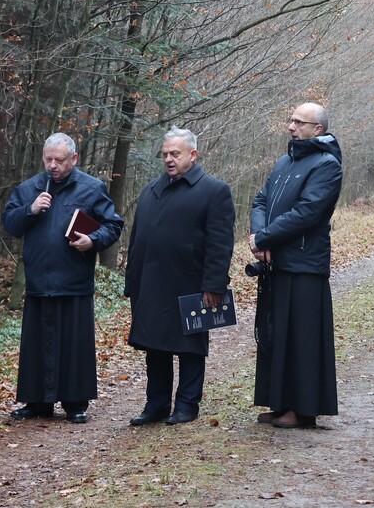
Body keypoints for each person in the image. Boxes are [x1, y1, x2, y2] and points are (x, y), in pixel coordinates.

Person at [1, 132, 124, 424]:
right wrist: (30, 210)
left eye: (59, 160)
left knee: (73, 346)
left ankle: (75, 404)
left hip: (74, 282)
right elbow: (10, 223)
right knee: (36, 345)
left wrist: (92, 240)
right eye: (48, 159)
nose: (53, 166)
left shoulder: (92, 188)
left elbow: (114, 225)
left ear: (74, 159)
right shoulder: (29, 188)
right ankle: (37, 402)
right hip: (39, 282)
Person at [124, 126, 235, 426]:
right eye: (165, 155)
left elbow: (220, 243)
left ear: (193, 154)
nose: (169, 160)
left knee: (190, 347)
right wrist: (131, 281)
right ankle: (156, 404)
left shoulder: (214, 191)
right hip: (150, 284)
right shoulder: (151, 190)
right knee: (154, 346)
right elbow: (137, 239)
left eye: (175, 154)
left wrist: (214, 284)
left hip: (191, 283)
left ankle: (187, 405)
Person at [248, 103, 343, 428]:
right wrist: (260, 234)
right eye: (290, 120)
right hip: (279, 263)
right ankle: (279, 402)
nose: (291, 126)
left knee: (301, 337)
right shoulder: (284, 161)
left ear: (317, 129)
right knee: (276, 333)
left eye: (299, 122)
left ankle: (302, 409)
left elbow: (308, 212)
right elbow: (261, 199)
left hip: (305, 264)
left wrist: (265, 239)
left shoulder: (327, 165)